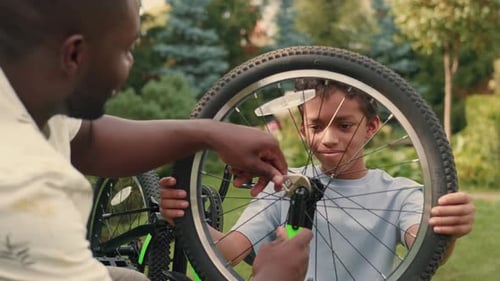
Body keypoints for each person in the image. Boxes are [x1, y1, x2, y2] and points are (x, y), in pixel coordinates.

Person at [0, 0, 312, 280]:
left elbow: (89, 139)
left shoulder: (23, 99)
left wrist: (209, 133)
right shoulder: (25, 191)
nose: (131, 63)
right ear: (74, 54)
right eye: (126, 50)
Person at [160, 78, 475, 280]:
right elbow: (230, 250)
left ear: (372, 126)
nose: (328, 138)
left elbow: (424, 245)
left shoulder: (400, 194)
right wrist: (185, 217)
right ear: (301, 129)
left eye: (345, 125)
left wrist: (447, 229)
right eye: (316, 125)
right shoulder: (283, 185)